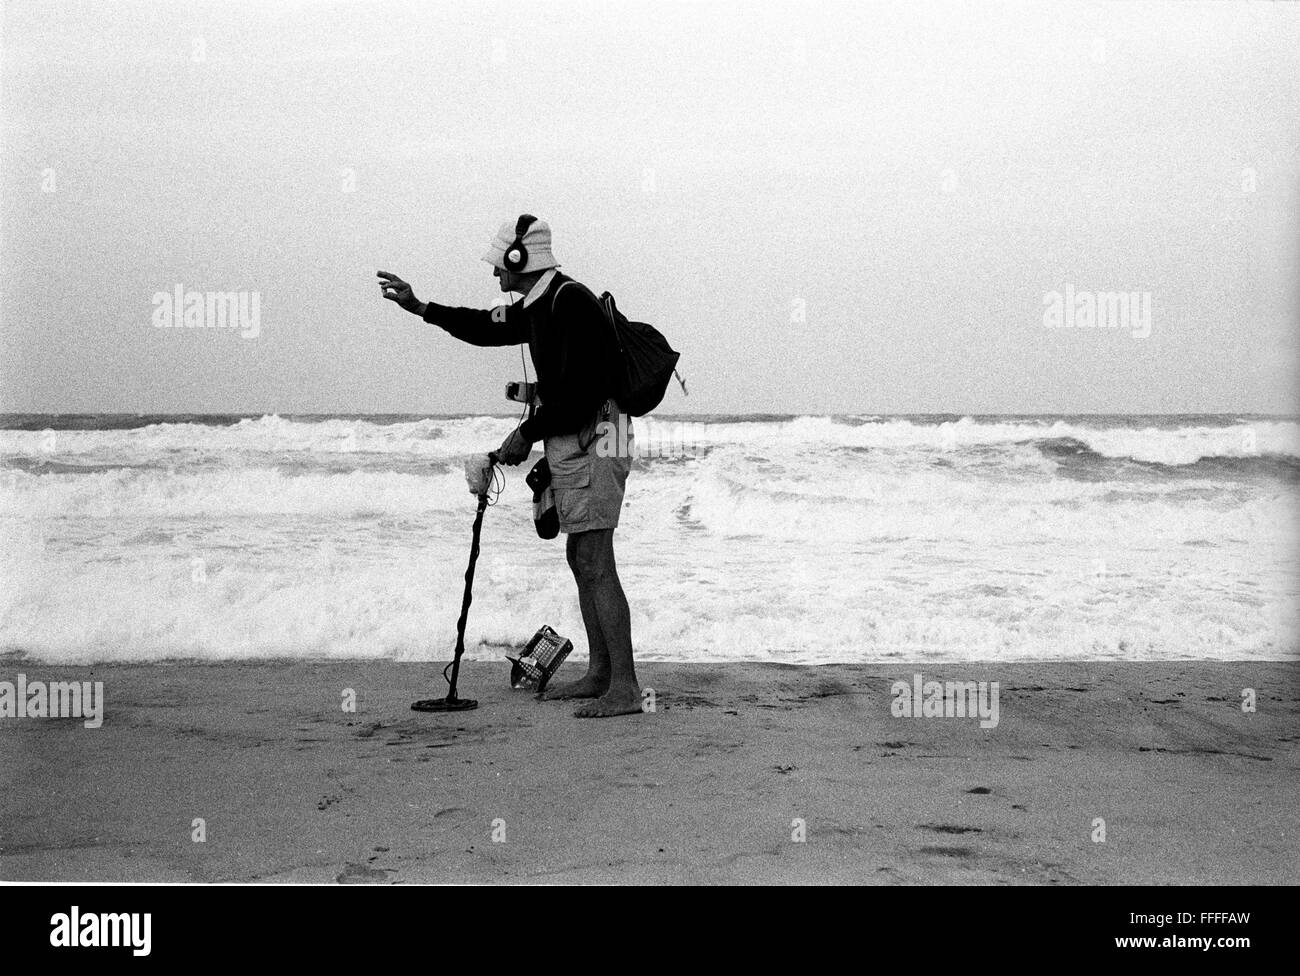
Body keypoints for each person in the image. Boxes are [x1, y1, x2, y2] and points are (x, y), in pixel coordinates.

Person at [377, 215, 641, 718]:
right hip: (576, 436)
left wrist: (527, 432)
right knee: (580, 557)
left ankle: (625, 686)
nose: (496, 273)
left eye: (500, 263)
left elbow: (584, 393)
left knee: (595, 559)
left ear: (521, 259)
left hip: (598, 435)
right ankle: (601, 674)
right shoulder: (538, 306)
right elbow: (481, 326)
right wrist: (419, 306)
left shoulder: (570, 302)